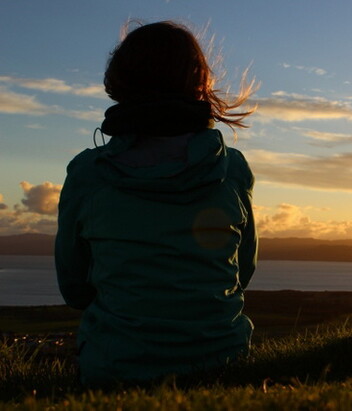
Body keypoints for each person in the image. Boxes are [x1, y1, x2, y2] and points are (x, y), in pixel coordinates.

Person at [55, 21, 258, 385]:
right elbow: (242, 273)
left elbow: (74, 288)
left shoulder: (88, 174)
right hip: (224, 364)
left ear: (119, 82)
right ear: (199, 82)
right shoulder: (232, 169)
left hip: (115, 370)